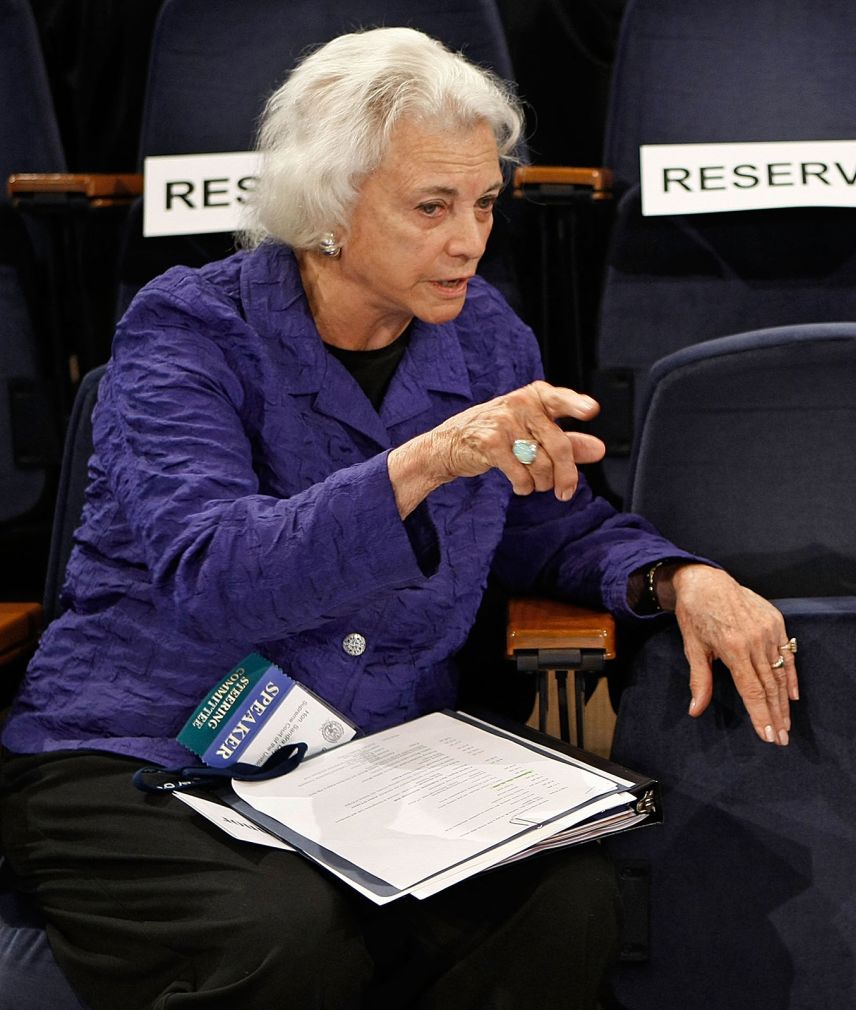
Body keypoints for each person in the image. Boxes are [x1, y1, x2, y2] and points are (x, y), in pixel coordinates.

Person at [0, 27, 800, 1009]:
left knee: (567, 897)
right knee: (290, 934)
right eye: (431, 207)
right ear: (328, 209)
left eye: (483, 203)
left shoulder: (486, 335)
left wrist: (679, 575)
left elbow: (545, 524)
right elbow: (215, 569)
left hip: (366, 764)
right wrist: (421, 462)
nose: (469, 239)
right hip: (147, 751)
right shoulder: (186, 331)